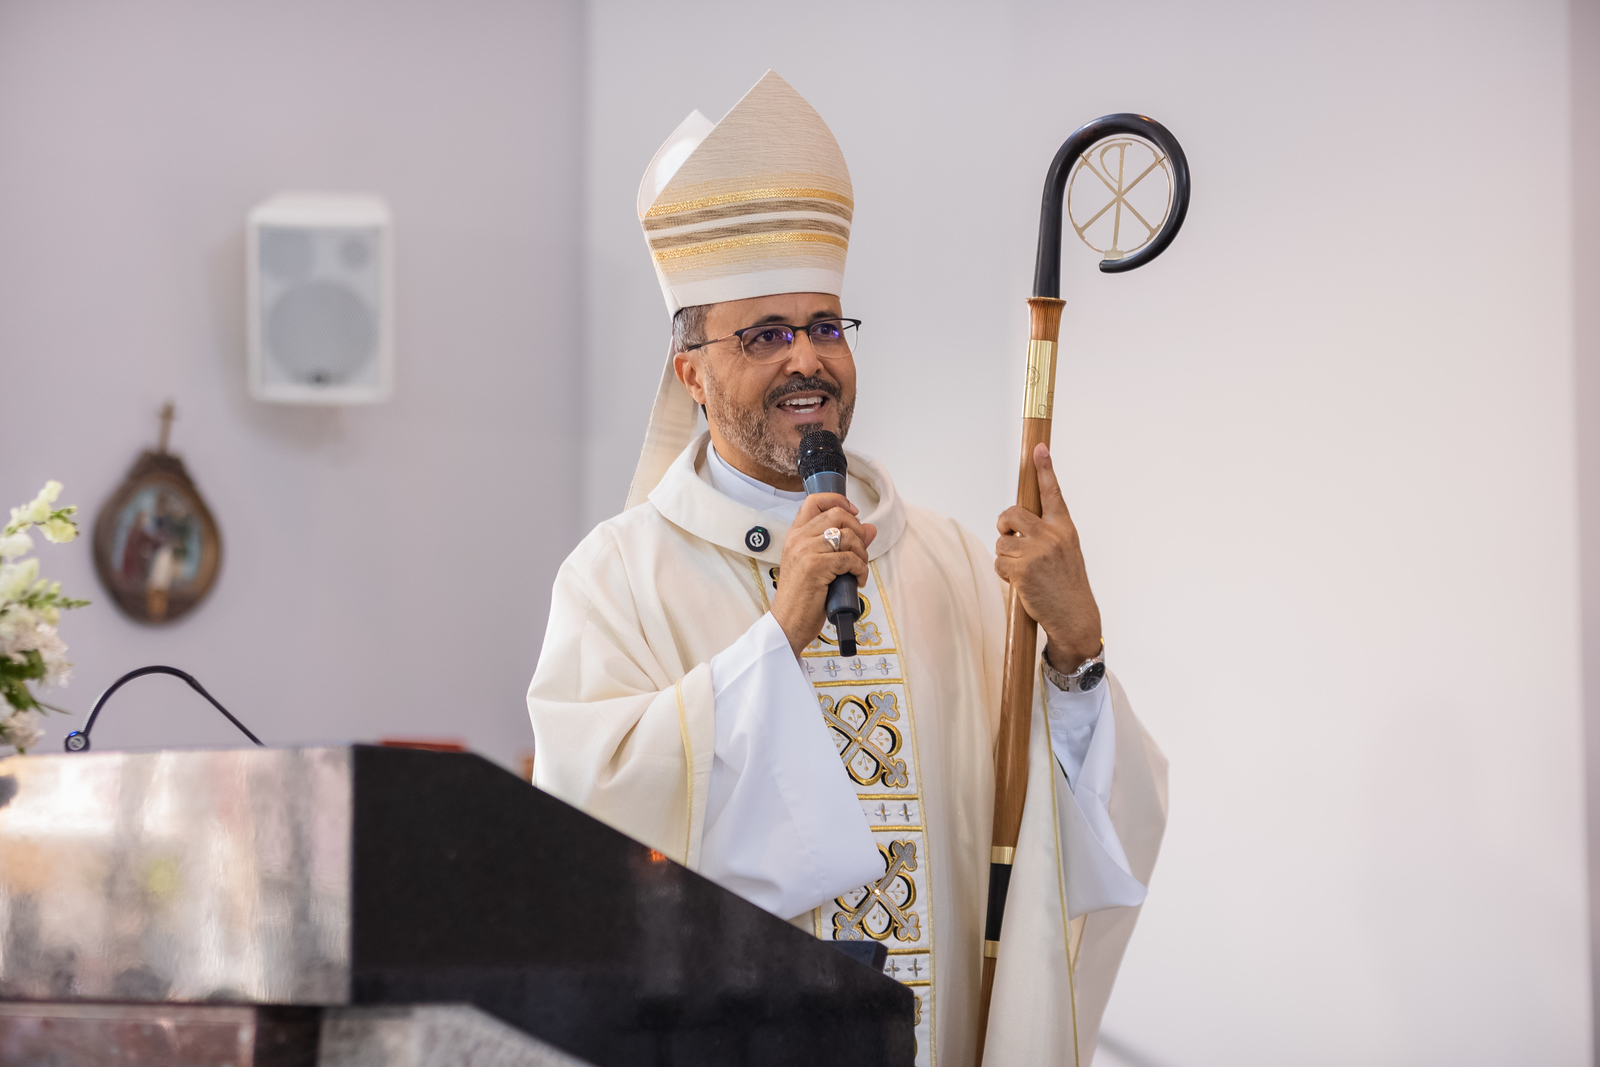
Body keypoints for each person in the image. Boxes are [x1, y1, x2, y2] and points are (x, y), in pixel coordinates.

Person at [528, 71, 1168, 1067]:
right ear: (691, 372)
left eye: (825, 327)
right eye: (766, 335)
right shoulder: (619, 578)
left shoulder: (950, 564)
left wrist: (1076, 653)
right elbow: (583, 835)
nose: (808, 360)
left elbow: (1073, 840)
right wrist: (773, 642)